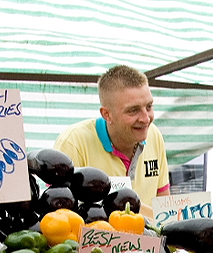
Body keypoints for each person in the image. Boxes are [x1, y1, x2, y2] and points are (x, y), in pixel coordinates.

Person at [53, 65, 170, 218]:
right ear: (107, 114)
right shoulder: (73, 143)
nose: (146, 118)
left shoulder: (154, 135)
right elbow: (58, 216)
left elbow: (164, 206)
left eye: (149, 106)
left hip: (149, 240)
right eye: (133, 110)